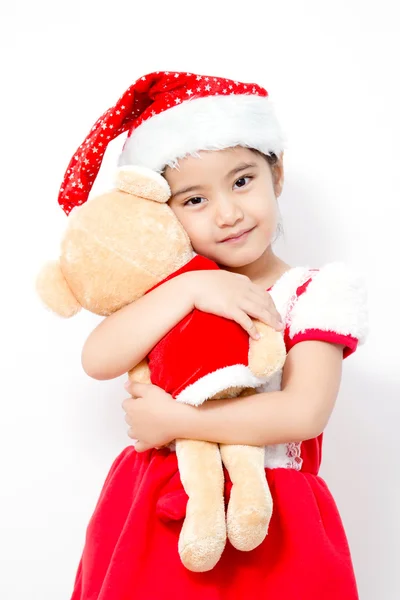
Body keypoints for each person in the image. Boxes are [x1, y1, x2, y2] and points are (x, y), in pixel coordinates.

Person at [58, 71, 368, 599]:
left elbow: (303, 412)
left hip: (271, 521)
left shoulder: (314, 292)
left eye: (242, 181)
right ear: (162, 211)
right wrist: (190, 290)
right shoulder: (170, 293)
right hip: (157, 513)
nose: (227, 214)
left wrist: (178, 420)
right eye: (194, 200)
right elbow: (98, 357)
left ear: (278, 173)